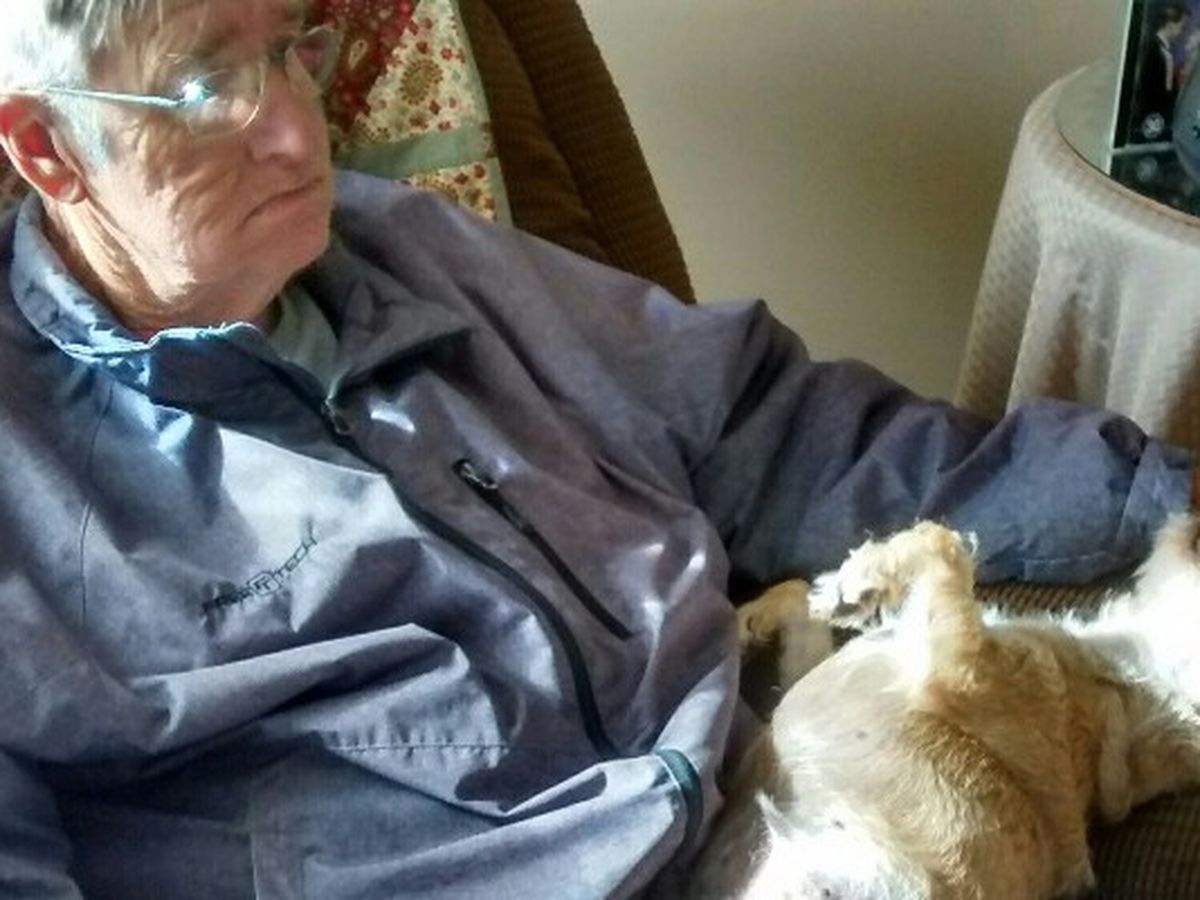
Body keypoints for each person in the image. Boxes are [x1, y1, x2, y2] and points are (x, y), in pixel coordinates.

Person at [0, 2, 1193, 898]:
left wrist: (1160, 498)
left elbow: (776, 429)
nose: (295, 129)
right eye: (207, 84)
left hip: (779, 804)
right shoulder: (29, 468)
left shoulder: (412, 254)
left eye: (289, 49)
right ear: (50, 149)